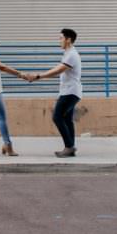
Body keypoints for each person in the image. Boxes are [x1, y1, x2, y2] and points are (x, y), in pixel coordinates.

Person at [28, 28, 82, 158]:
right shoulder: (68, 53)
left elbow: (58, 70)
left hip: (70, 92)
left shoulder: (71, 55)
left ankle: (69, 146)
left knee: (57, 117)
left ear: (68, 39)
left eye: (61, 38)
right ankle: (70, 148)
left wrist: (38, 76)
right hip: (70, 91)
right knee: (67, 120)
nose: (59, 41)